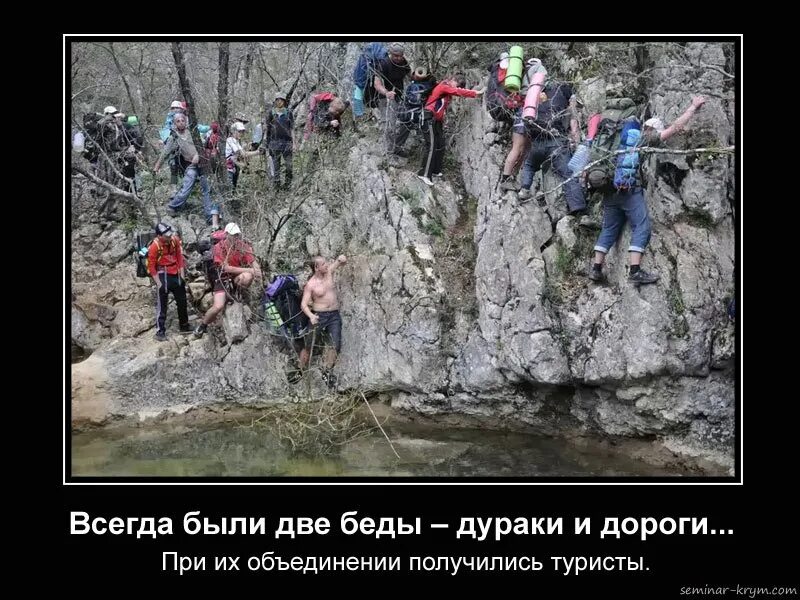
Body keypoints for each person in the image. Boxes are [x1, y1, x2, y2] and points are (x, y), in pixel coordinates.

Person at [588, 95, 707, 285]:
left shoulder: (608, 138)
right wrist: (692, 107)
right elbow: (674, 129)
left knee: (609, 228)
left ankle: (596, 269)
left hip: (607, 189)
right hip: (629, 191)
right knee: (642, 227)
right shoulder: (640, 139)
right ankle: (635, 271)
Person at [514, 76, 587, 215]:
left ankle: (524, 189)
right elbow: (573, 114)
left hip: (537, 142)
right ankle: (579, 209)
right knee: (568, 175)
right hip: (557, 141)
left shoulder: (532, 96)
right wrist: (575, 140)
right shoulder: (562, 90)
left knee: (529, 165)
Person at [194, 222, 262, 338]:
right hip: (221, 278)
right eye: (233, 235)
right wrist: (250, 270)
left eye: (237, 235)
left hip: (235, 278)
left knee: (248, 277)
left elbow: (253, 261)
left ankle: (237, 294)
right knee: (218, 306)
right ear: (227, 234)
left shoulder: (242, 246)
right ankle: (203, 324)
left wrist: (257, 270)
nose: (235, 237)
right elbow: (226, 268)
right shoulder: (218, 248)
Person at [153, 113, 220, 229]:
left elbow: (206, 145)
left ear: (186, 121)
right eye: (178, 121)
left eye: (182, 120)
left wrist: (200, 154)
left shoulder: (193, 132)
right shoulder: (173, 137)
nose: (181, 122)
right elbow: (165, 153)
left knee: (207, 189)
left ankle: (209, 217)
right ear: (174, 124)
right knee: (186, 187)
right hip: (191, 166)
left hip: (204, 163)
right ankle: (173, 206)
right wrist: (157, 167)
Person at [417, 73, 483, 185]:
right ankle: (424, 173)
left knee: (440, 144)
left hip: (436, 120)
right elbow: (458, 92)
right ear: (452, 80)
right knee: (432, 145)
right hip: (428, 117)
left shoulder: (447, 90)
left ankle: (435, 170)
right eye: (456, 85)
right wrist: (475, 93)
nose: (455, 88)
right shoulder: (444, 86)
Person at [299, 255, 347, 381]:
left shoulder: (329, 272)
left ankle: (326, 371)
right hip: (319, 316)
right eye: (323, 264)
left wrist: (341, 259)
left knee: (335, 343)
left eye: (326, 263)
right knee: (309, 344)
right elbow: (303, 304)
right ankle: (300, 370)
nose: (326, 265)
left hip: (334, 315)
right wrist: (311, 316)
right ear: (316, 267)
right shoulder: (311, 284)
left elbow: (339, 262)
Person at [148, 222, 190, 341]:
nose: (169, 237)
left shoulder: (174, 240)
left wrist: (181, 275)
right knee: (162, 304)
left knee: (182, 301)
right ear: (159, 236)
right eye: (166, 236)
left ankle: (184, 325)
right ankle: (160, 331)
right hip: (163, 274)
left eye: (170, 235)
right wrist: (158, 283)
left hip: (175, 272)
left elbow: (179, 257)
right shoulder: (154, 246)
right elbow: (151, 266)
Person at [373, 42, 411, 153]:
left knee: (404, 122)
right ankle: (388, 152)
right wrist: (386, 93)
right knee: (389, 124)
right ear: (391, 53)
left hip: (399, 97)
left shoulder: (404, 62)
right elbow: (377, 84)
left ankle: (396, 147)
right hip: (384, 99)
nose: (398, 58)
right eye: (395, 55)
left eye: (400, 55)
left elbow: (410, 76)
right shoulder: (384, 63)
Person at [265, 92, 295, 190]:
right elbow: (267, 129)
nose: (279, 102)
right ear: (275, 101)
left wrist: (294, 143)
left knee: (289, 166)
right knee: (276, 168)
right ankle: (277, 189)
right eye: (277, 100)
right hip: (274, 143)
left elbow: (292, 129)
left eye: (281, 100)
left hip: (287, 143)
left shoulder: (289, 112)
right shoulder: (271, 113)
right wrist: (266, 143)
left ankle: (287, 185)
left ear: (284, 101)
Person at [225, 121, 259, 191]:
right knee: (228, 191)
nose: (241, 134)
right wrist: (257, 152)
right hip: (227, 169)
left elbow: (243, 153)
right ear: (234, 131)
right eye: (239, 131)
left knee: (232, 189)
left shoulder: (236, 141)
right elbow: (243, 154)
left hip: (232, 169)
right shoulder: (230, 140)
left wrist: (257, 152)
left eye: (242, 132)